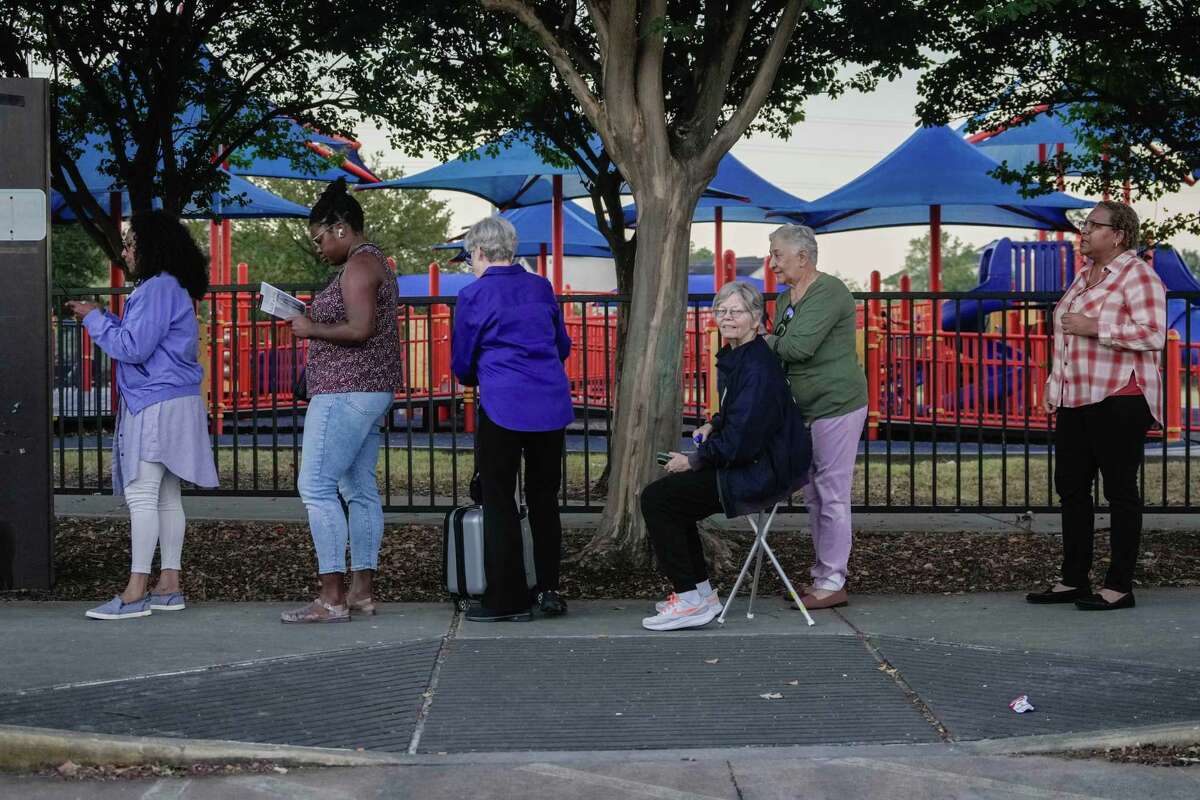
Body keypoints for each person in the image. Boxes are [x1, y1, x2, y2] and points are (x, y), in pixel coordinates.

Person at [67, 211, 219, 620]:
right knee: (167, 495)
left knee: (141, 492)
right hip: (176, 398)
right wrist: (107, 320)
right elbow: (145, 339)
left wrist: (94, 319)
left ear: (152, 247)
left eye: (132, 243)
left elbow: (133, 348)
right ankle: (168, 584)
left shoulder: (156, 288)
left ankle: (135, 591)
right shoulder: (173, 288)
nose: (126, 251)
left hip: (154, 402)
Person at [640, 281, 812, 632]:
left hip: (762, 471)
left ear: (756, 318)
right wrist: (711, 424)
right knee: (672, 499)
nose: (728, 317)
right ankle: (699, 594)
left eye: (737, 311)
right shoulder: (744, 356)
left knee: (658, 499)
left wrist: (693, 460)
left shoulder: (756, 368)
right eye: (722, 311)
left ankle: (690, 599)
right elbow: (738, 418)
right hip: (755, 463)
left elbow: (740, 444)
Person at [1028, 200, 1167, 611]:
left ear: (1118, 234)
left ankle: (1119, 586)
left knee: (1120, 492)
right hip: (1076, 398)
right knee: (1071, 489)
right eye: (1084, 224)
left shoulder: (1138, 275)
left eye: (1093, 225)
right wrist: (1056, 387)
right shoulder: (1083, 277)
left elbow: (1154, 334)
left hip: (1119, 398)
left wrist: (1097, 328)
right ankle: (1074, 579)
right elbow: (1065, 341)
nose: (1083, 231)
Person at [280, 178, 403, 624]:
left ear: (340, 228)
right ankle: (360, 593)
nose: (317, 248)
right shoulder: (374, 264)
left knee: (315, 487)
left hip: (344, 391)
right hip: (368, 390)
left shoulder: (358, 267)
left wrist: (310, 329)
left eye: (319, 238)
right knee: (358, 489)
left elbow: (360, 328)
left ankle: (331, 598)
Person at [451, 215, 573, 623]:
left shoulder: (474, 295)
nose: (471, 263)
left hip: (503, 406)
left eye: (471, 256)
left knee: (500, 498)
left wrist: (477, 374)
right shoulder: (542, 287)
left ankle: (508, 597)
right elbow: (562, 345)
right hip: (551, 404)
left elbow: (463, 361)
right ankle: (550, 590)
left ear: (481, 251)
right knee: (544, 499)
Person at [764, 224, 868, 610]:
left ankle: (832, 581)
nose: (772, 263)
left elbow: (798, 347)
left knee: (832, 494)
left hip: (836, 403)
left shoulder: (829, 291)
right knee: (814, 495)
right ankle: (822, 575)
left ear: (803, 257)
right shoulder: (784, 298)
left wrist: (763, 338)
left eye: (778, 255)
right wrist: (773, 342)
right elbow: (783, 346)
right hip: (804, 409)